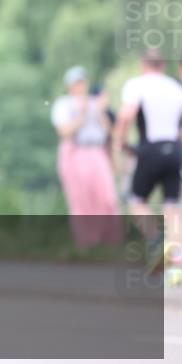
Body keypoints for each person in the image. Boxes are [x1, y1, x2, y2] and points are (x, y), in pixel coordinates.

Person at [112, 48, 182, 275]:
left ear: (143, 65)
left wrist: (119, 141)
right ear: (162, 66)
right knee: (171, 207)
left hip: (149, 151)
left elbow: (126, 115)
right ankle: (177, 268)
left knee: (136, 201)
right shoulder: (176, 88)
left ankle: (156, 239)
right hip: (174, 150)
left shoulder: (137, 85)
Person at [50, 67, 121, 250]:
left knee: (107, 199)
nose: (80, 86)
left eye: (82, 82)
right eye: (76, 83)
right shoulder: (63, 104)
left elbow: (109, 132)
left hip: (97, 152)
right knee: (82, 201)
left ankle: (110, 242)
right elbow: (65, 132)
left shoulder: (95, 104)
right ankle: (87, 244)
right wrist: (81, 114)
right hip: (75, 152)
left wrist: (102, 111)